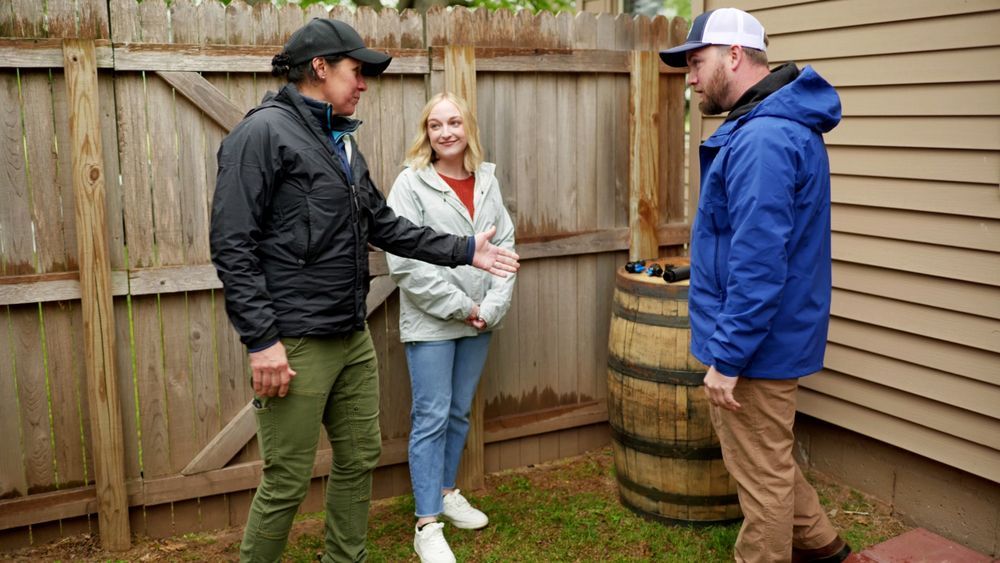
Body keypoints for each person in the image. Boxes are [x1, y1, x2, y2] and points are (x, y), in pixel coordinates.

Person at [209, 18, 519, 563]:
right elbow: (233, 246)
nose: (364, 83)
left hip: (350, 335)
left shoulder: (341, 144)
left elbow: (384, 224)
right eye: (357, 71)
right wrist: (262, 341)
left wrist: (465, 250)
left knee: (358, 460)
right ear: (320, 69)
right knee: (286, 480)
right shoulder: (261, 134)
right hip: (295, 342)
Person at [660, 8, 851, 563]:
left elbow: (760, 264)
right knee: (769, 459)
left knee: (761, 482)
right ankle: (823, 545)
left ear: (734, 56)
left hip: (757, 349)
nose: (691, 77)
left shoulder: (764, 139)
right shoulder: (767, 125)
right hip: (768, 340)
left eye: (696, 63)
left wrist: (729, 358)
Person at [385, 92, 516, 563]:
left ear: (468, 128)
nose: (446, 132)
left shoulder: (487, 181)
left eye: (455, 122)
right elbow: (404, 262)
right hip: (434, 321)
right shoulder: (411, 184)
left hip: (481, 318)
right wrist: (464, 307)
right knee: (432, 417)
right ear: (426, 132)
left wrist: (491, 308)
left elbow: (505, 245)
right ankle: (427, 524)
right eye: (436, 124)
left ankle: (444, 492)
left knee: (459, 411)